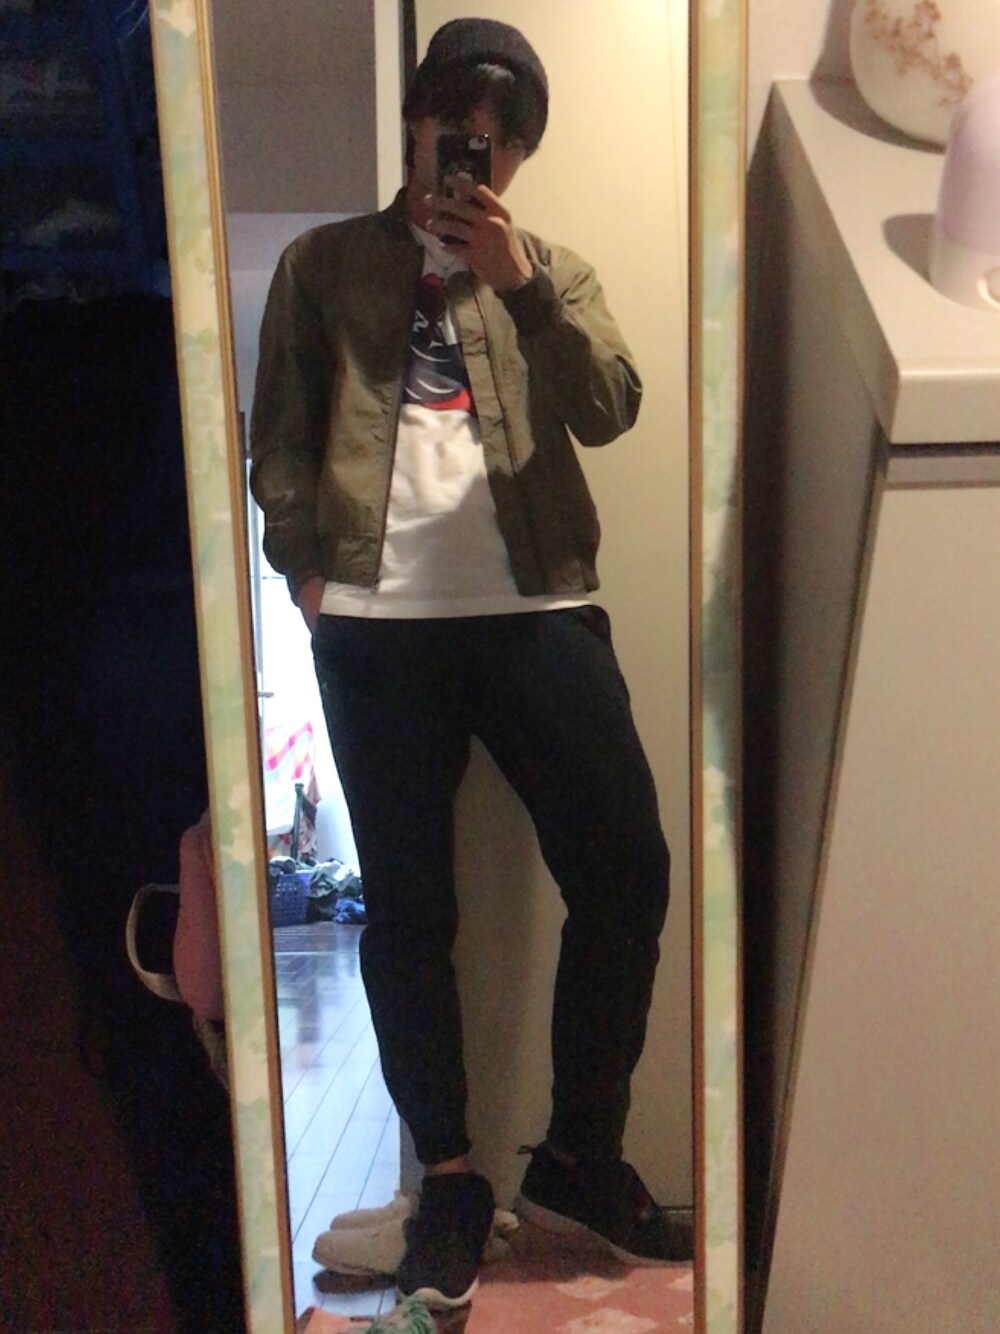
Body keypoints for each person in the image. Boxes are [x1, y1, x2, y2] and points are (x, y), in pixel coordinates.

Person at [250, 17, 692, 1311]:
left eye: (497, 141)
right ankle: (448, 1182)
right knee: (406, 908)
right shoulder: (322, 265)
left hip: (536, 605)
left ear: (517, 158)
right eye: (455, 128)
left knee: (628, 868)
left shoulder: (552, 270)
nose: (472, 155)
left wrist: (522, 283)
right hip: (375, 627)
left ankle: (577, 1160)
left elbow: (612, 405)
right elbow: (280, 434)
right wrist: (307, 577)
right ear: (418, 125)